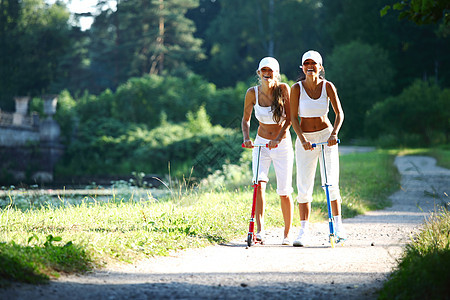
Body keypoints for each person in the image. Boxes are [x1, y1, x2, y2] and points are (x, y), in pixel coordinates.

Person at [289, 50, 346, 247]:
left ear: (320, 67)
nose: (310, 66)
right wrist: (302, 138)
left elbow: (339, 114)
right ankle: (303, 230)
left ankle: (339, 228)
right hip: (305, 140)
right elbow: (292, 118)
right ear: (302, 67)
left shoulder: (328, 86)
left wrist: (334, 134)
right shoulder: (296, 88)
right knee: (304, 186)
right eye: (307, 63)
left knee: (331, 183)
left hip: (325, 136)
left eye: (314, 63)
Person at [242, 57, 294, 245]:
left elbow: (289, 119)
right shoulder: (252, 93)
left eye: (270, 70)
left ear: (276, 73)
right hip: (261, 144)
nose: (267, 73)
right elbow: (246, 119)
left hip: (282, 145)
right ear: (258, 73)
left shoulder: (283, 89)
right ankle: (260, 231)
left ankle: (287, 234)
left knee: (284, 191)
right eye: (263, 70)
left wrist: (278, 138)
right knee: (259, 185)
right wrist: (246, 138)